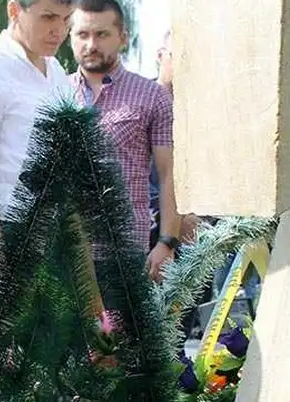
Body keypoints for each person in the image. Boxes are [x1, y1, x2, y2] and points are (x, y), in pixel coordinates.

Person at [69, 0, 177, 280]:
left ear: (123, 38)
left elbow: (168, 174)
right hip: (65, 252)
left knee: (125, 326)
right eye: (82, 34)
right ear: (70, 36)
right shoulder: (55, 92)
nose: (91, 44)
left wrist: (166, 242)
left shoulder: (152, 96)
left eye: (102, 34)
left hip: (125, 252)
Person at [0, 0, 73, 249]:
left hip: (55, 230)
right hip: (7, 228)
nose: (59, 30)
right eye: (48, 17)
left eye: (66, 19)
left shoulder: (57, 71)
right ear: (14, 10)